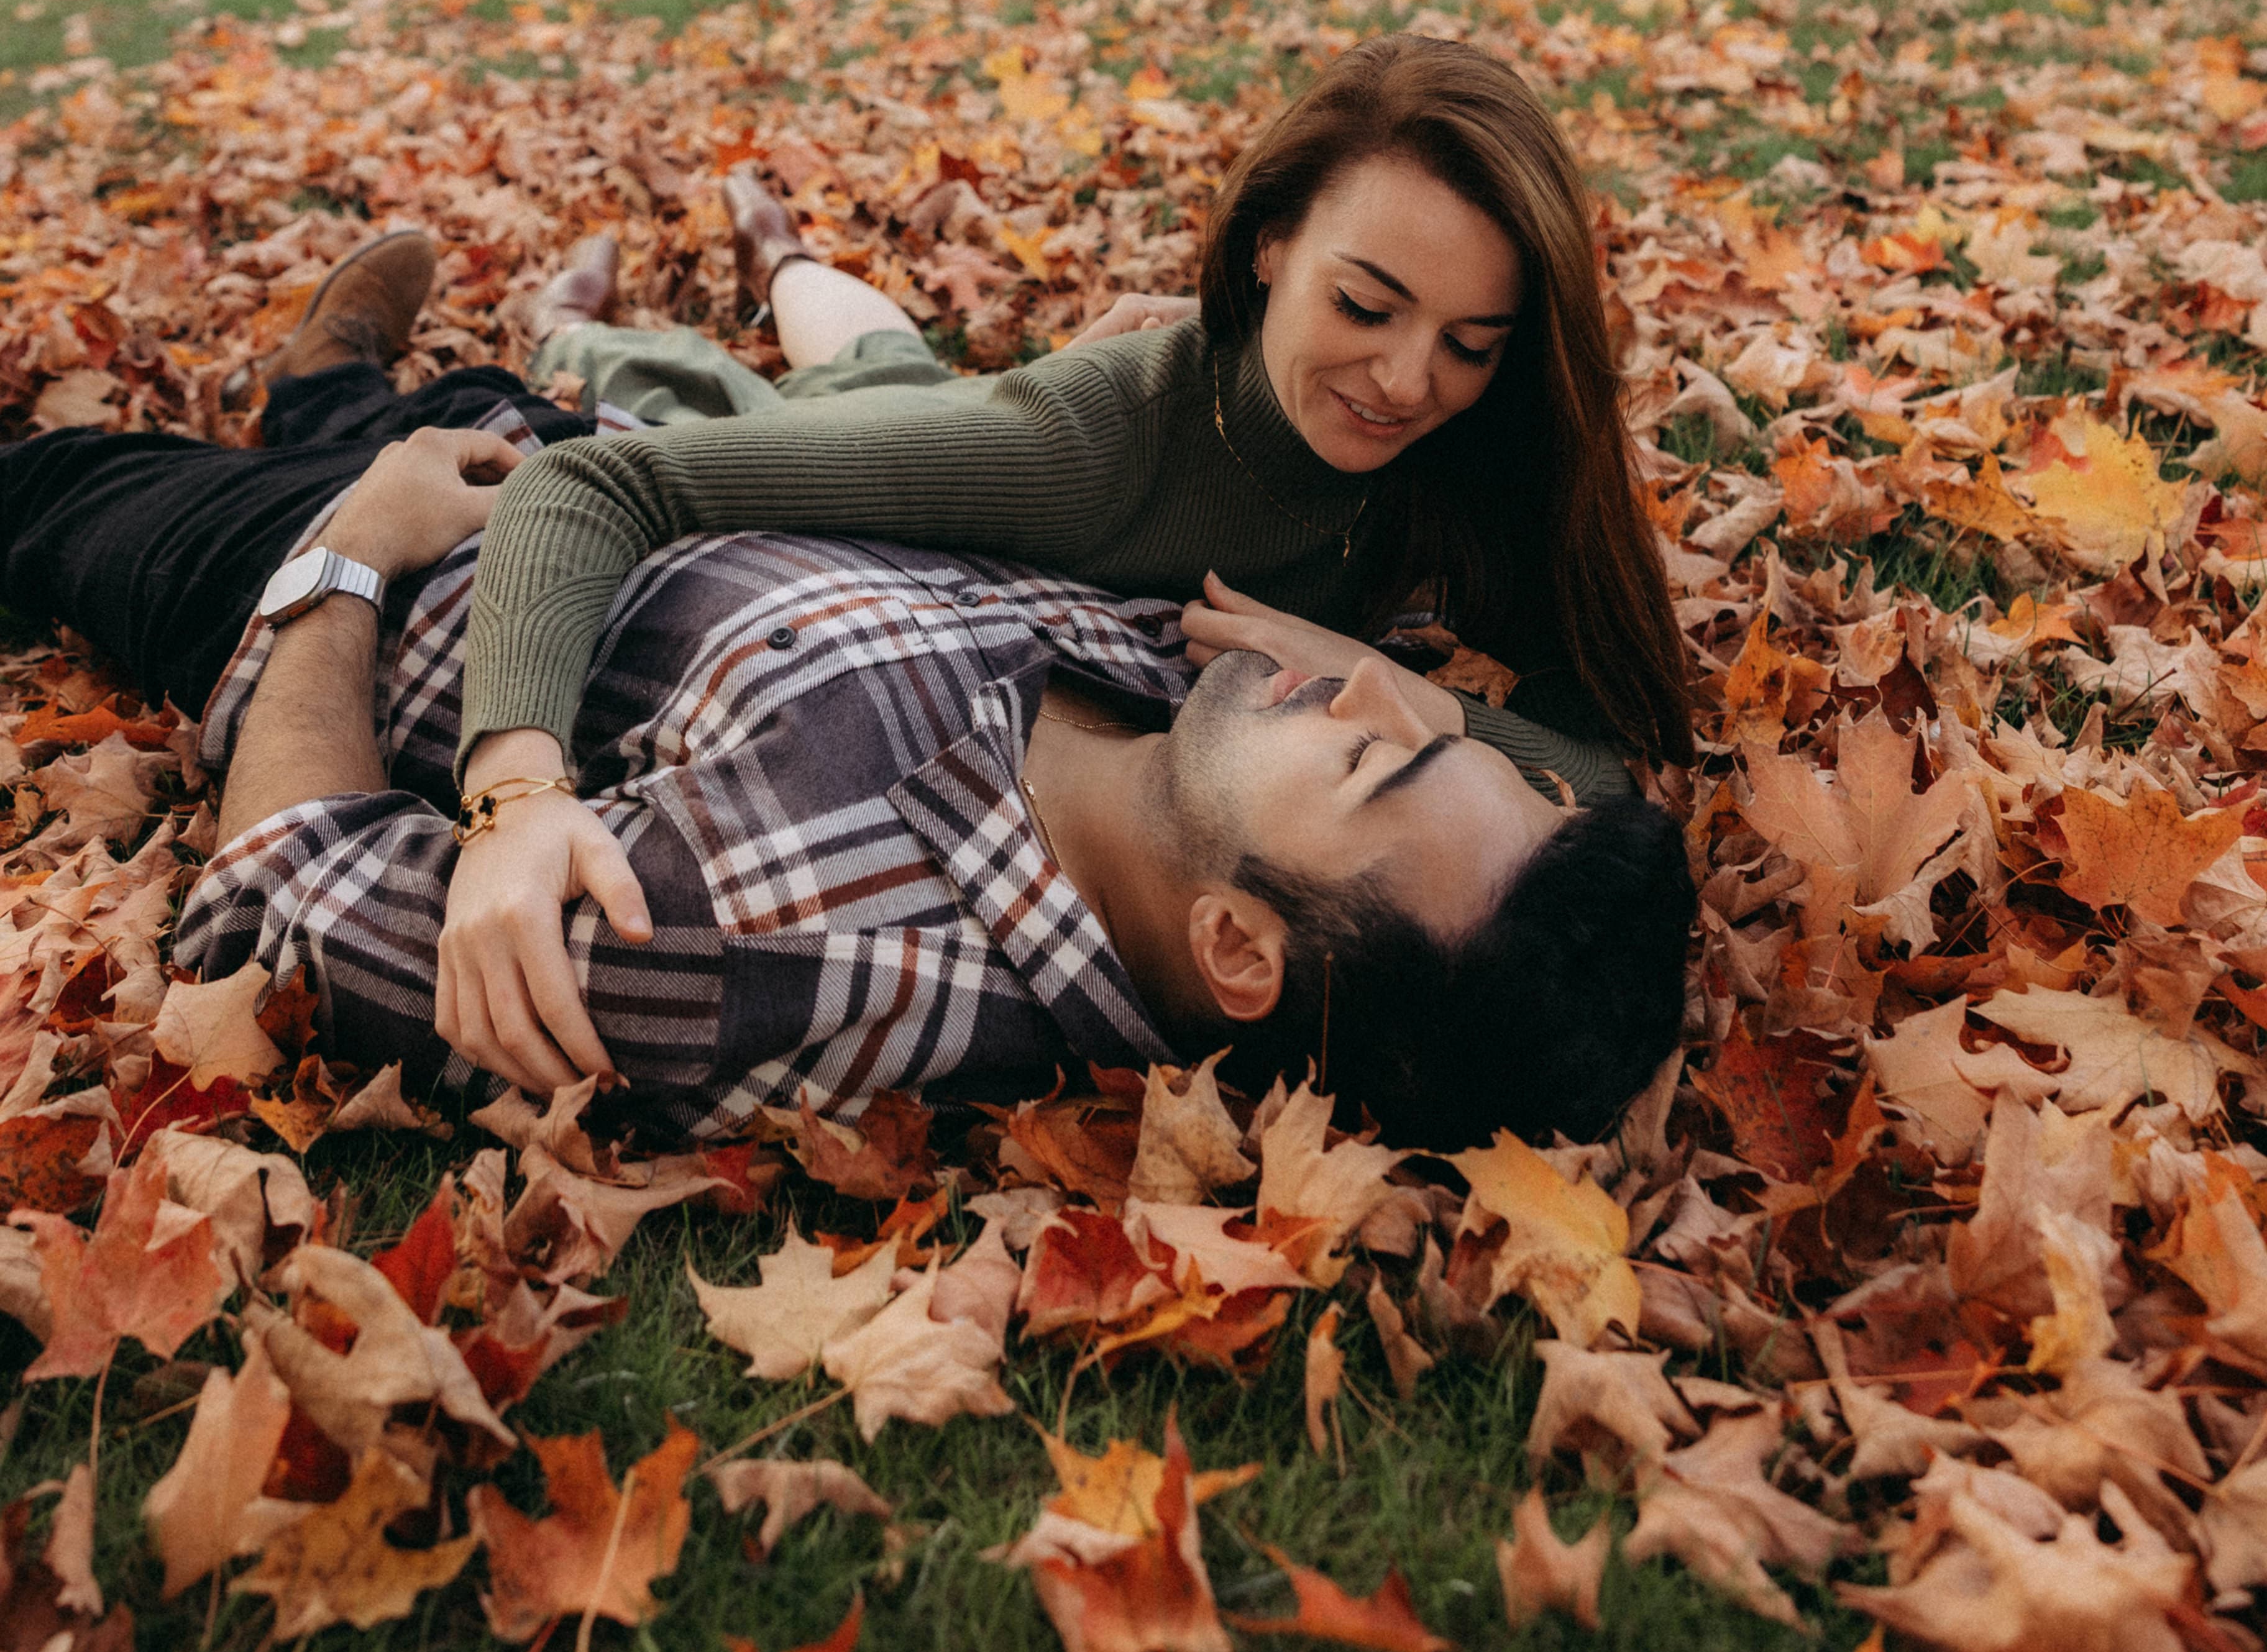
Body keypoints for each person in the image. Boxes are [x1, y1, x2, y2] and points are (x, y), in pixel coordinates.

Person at [447, 34, 1694, 1092]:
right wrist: (514, 789)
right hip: (910, 523)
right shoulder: (1085, 448)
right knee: (736, 402)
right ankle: (572, 325)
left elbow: (1604, 768)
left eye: (1471, 341)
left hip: (965, 438)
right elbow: (601, 482)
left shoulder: (1467, 444)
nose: (1411, 380)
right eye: (1364, 307)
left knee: (885, 361)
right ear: (1268, 246)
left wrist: (1397, 684)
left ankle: (780, 253)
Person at [1, 407, 1695, 1149]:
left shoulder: (766, 934)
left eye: (1374, 748)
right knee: (385, 397)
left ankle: (312, 432)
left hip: (334, 569)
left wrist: (353, 550)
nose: (1361, 683)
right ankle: (340, 379)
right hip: (567, 447)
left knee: (49, 482)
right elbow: (1607, 745)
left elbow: (276, 893)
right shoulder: (1194, 744)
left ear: (1242, 948)